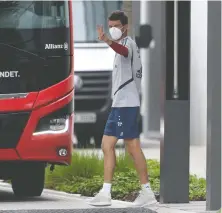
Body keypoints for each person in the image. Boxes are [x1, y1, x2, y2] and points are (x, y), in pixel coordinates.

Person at [88, 10, 157, 207]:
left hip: (125, 106)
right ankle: (145, 193)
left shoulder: (128, 45)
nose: (112, 29)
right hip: (123, 104)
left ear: (125, 27)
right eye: (110, 25)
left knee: (108, 145)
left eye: (116, 26)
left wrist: (108, 41)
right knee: (131, 147)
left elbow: (123, 51)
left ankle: (107, 192)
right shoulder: (124, 45)